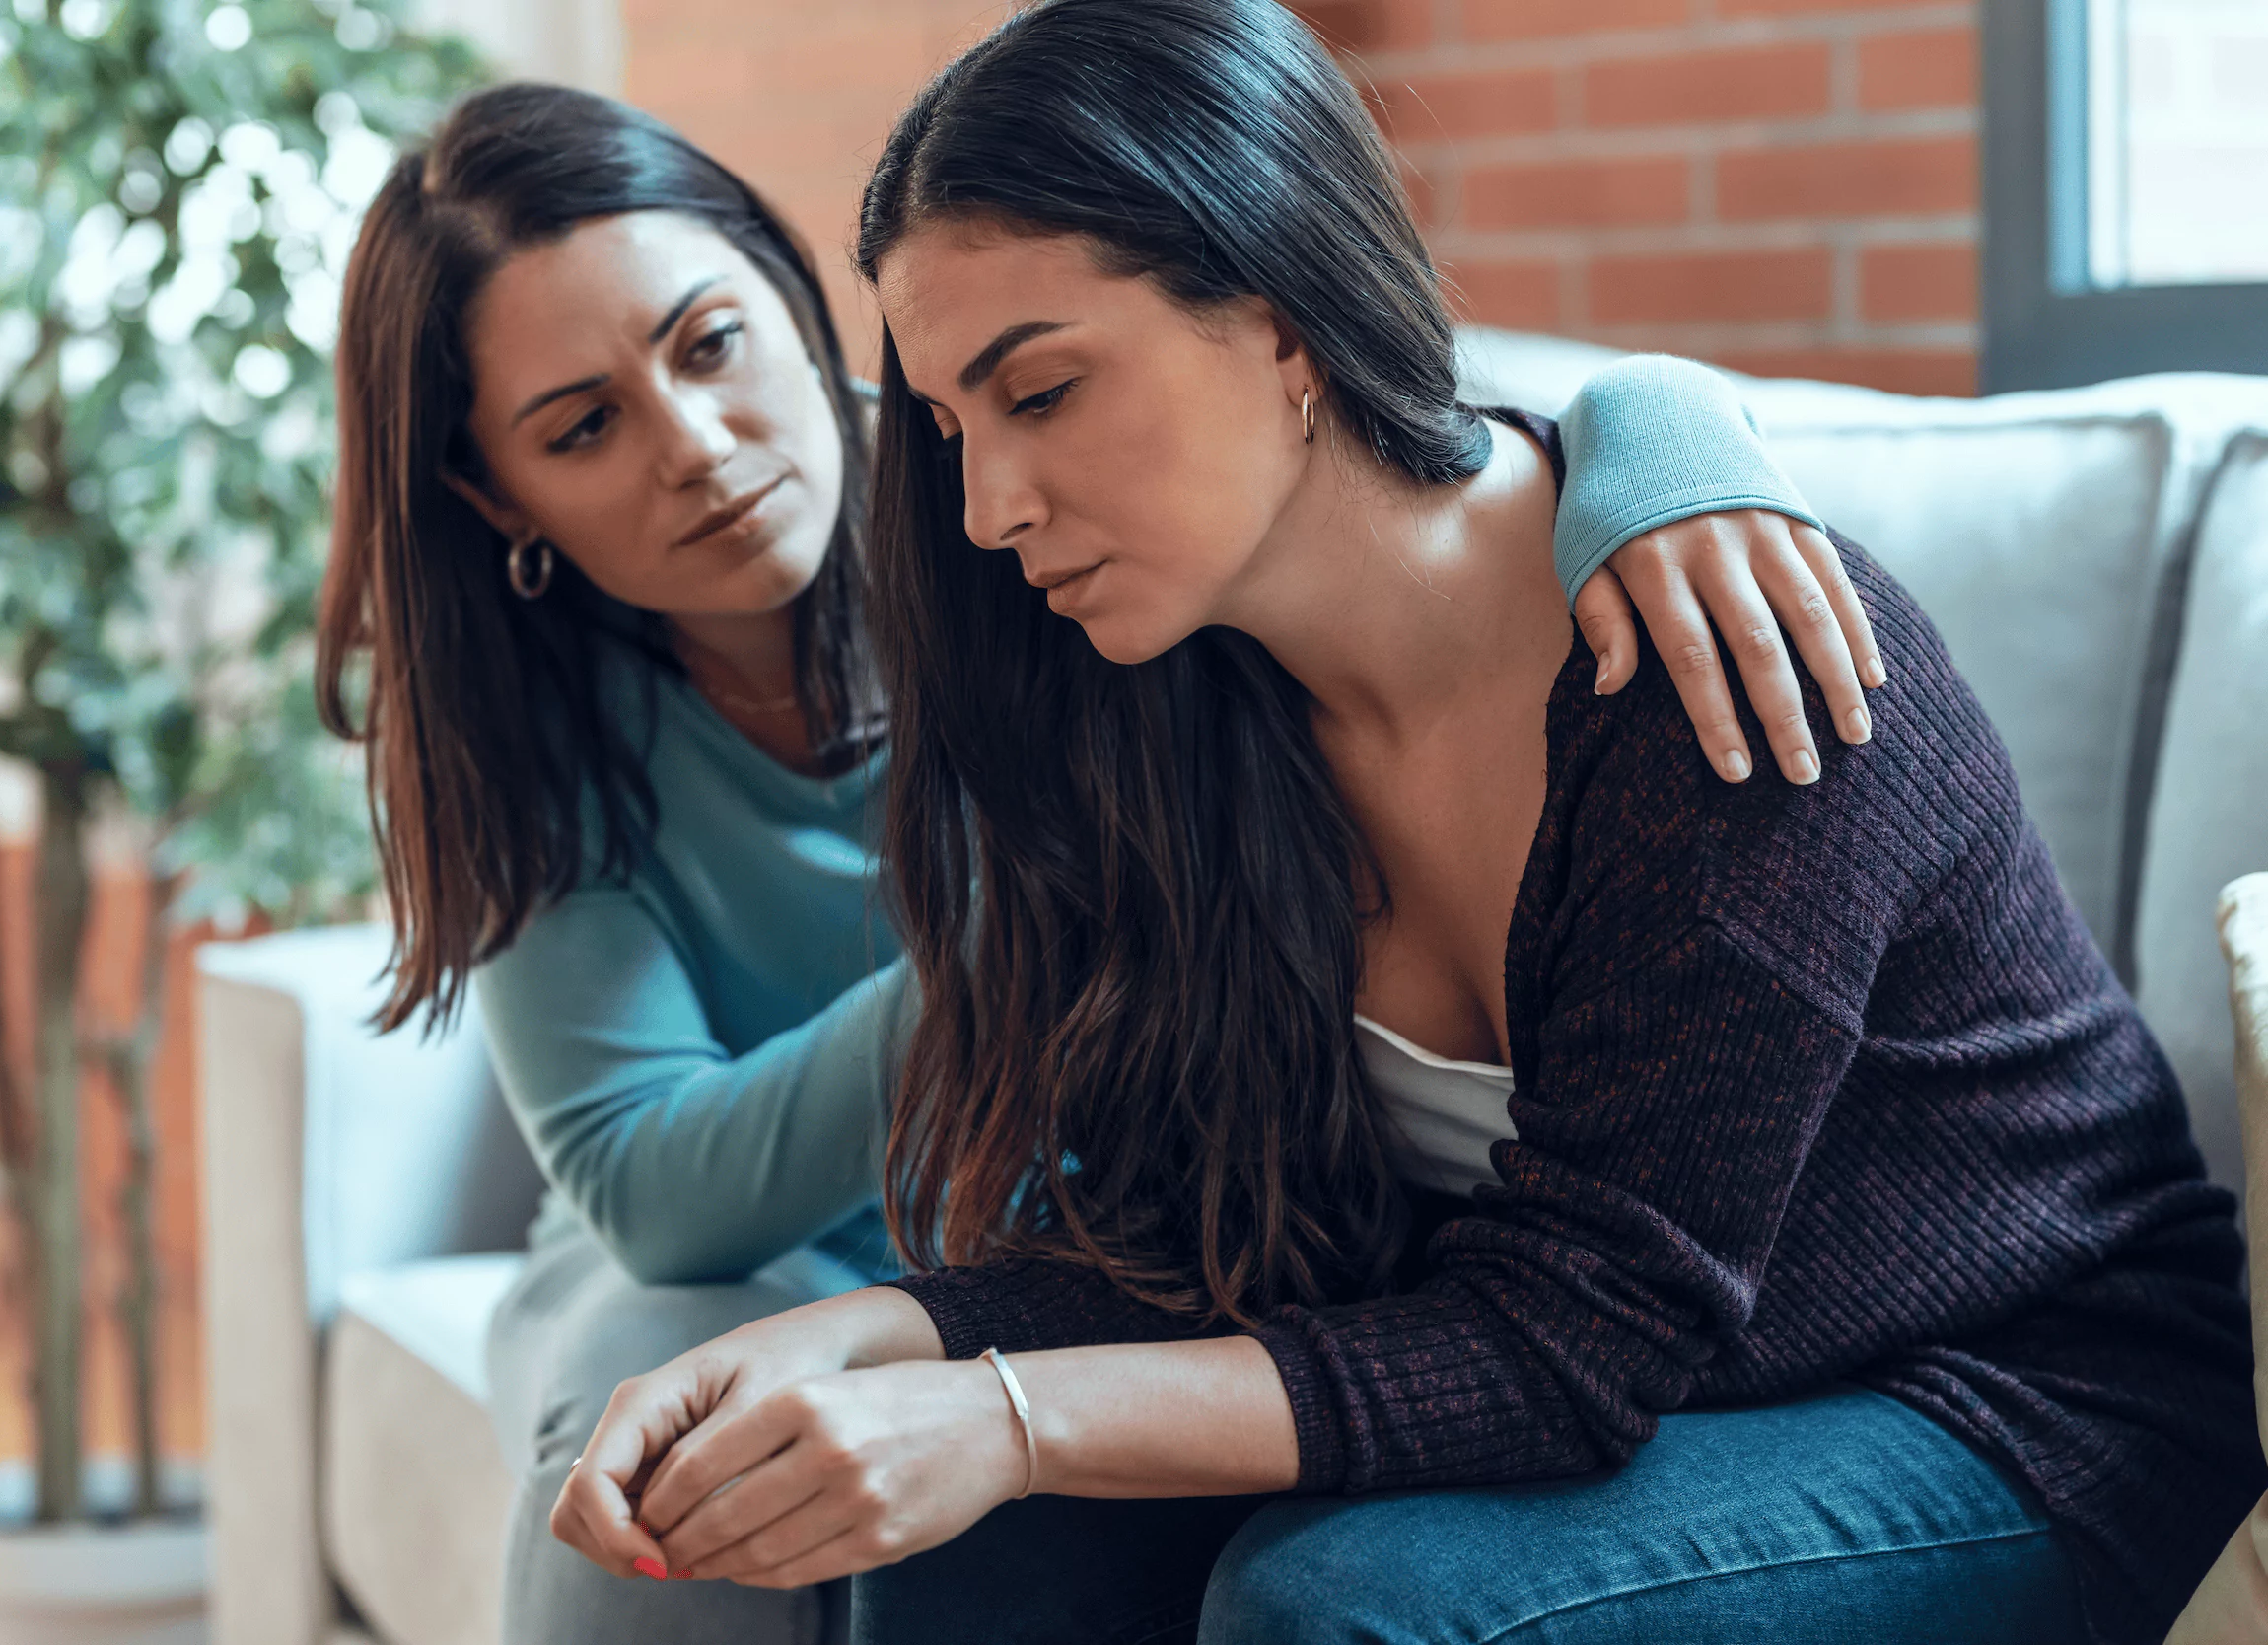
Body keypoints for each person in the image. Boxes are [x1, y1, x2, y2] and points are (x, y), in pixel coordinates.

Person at [538, 8, 2264, 1645]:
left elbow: (1581, 1339)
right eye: (950, 429)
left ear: (1282, 316)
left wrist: (1005, 1413)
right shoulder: (1184, 710)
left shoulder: (1710, 660)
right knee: (982, 1529)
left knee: (1337, 1600)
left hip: (2007, 1401)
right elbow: (1190, 1252)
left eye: (1043, 392)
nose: (991, 507)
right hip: (1665, 1386)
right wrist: (880, 1334)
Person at [320, 79, 1892, 1645]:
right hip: (822, 1241)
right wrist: (1050, 942)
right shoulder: (542, 710)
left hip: (1091, 1211)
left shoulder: (1029, 513)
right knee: (661, 1423)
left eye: (710, 343)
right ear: (491, 492)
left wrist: (1669, 430)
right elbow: (657, 1196)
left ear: (790, 299)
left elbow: (1365, 424)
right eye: (584, 426)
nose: (698, 448)